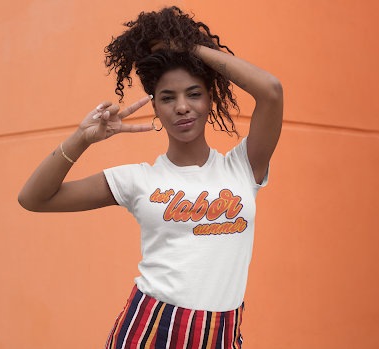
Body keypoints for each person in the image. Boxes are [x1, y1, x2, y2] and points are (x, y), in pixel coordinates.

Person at [18, 6, 283, 349]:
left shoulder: (244, 166)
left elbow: (271, 90)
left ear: (210, 97)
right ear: (155, 108)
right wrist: (82, 137)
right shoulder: (137, 179)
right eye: (167, 98)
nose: (182, 107)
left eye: (194, 93)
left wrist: (188, 47)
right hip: (151, 330)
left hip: (221, 334)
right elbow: (34, 198)